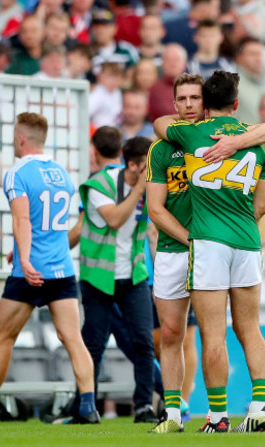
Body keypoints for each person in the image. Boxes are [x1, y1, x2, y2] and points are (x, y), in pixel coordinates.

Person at [146, 73, 265, 433]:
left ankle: (218, 416)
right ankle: (260, 407)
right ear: (237, 104)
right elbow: (262, 205)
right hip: (248, 241)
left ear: (205, 104)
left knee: (212, 334)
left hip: (209, 241)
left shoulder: (194, 134)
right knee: (250, 327)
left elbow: (160, 123)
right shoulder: (256, 145)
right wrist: (241, 139)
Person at [0, 112, 98, 425]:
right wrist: (18, 249)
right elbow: (49, 224)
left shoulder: (17, 173)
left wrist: (25, 259)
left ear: (21, 138)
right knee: (73, 338)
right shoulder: (61, 173)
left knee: (4, 337)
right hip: (61, 268)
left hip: (30, 271)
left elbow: (23, 220)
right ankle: (88, 406)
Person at [78, 131, 158, 424]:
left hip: (134, 274)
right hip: (98, 277)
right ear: (135, 166)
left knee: (144, 343)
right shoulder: (99, 184)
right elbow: (114, 219)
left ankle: (143, 407)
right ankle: (85, 405)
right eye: (150, 166)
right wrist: (139, 191)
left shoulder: (151, 187)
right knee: (94, 345)